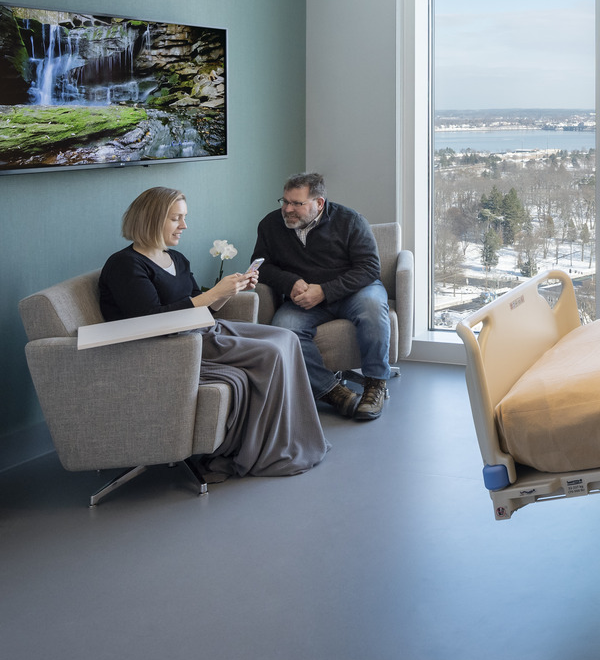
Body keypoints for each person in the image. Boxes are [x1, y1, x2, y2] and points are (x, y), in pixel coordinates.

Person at [98, 187, 329, 478]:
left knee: (287, 338)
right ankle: (265, 452)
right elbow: (150, 321)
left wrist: (228, 292)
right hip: (174, 347)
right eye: (176, 218)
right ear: (152, 220)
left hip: (204, 331)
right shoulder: (125, 265)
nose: (184, 225)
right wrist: (212, 295)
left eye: (184, 217)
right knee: (270, 353)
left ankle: (299, 438)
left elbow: (201, 307)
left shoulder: (176, 259)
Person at [253, 172, 393, 421]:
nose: (287, 209)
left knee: (373, 307)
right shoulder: (270, 225)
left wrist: (325, 291)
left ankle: (375, 385)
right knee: (284, 329)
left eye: (297, 203)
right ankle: (334, 392)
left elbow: (370, 268)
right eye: (285, 201)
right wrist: (291, 282)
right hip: (305, 299)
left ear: (319, 203)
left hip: (355, 291)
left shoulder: (350, 220)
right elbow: (262, 266)